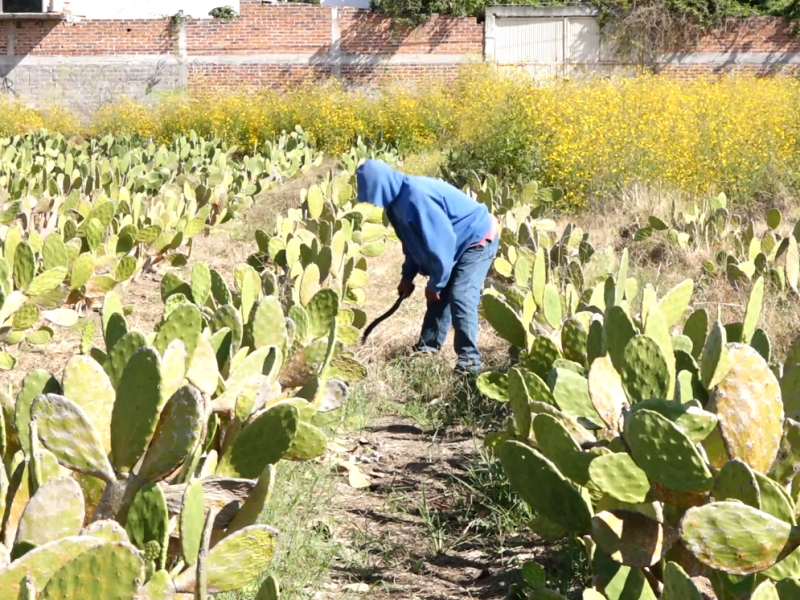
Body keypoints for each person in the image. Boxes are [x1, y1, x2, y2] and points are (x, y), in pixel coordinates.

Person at [356, 159, 499, 375]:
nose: (374, 202)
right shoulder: (394, 206)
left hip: (476, 238)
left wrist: (437, 282)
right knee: (438, 298)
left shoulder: (416, 196)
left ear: (381, 185)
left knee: (460, 295)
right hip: (456, 244)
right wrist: (407, 277)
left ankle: (469, 363)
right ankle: (426, 351)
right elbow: (413, 244)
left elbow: (442, 244)